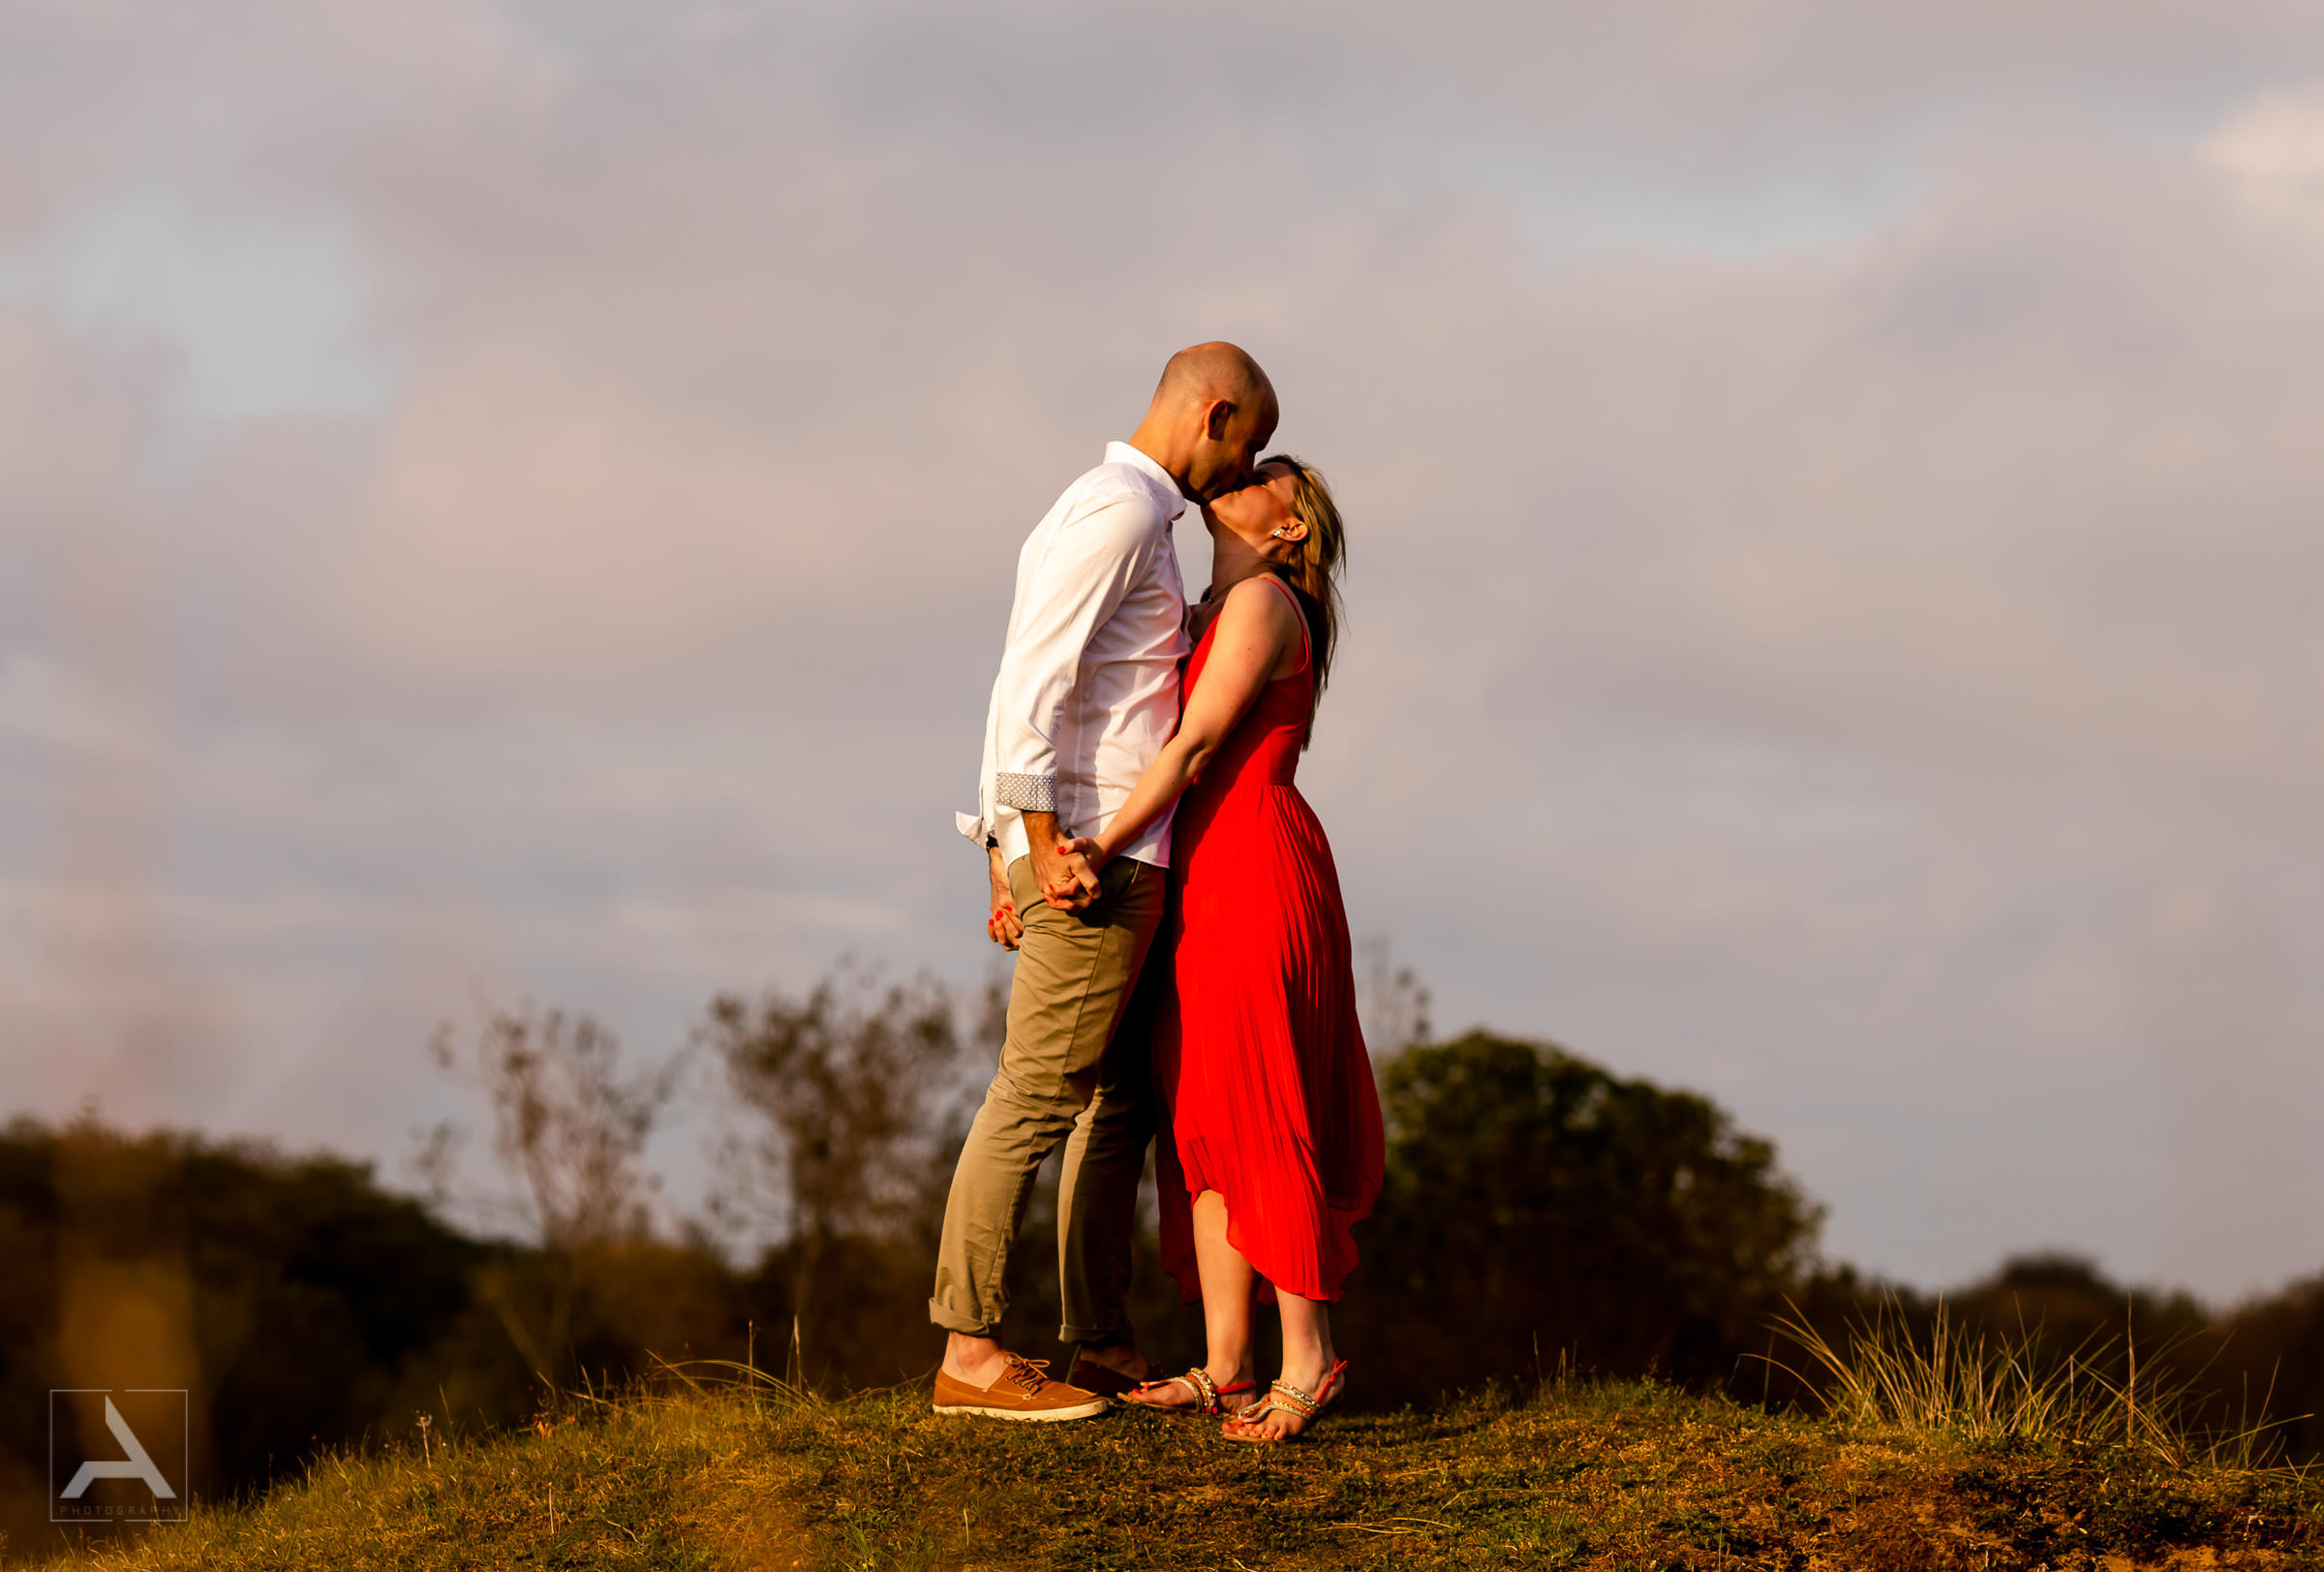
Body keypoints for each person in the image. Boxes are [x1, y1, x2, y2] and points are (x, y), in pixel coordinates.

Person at [930, 343, 1279, 1421]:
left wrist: (1002, 844)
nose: (1246, 467)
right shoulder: (1123, 510)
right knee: (1036, 1094)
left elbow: (1028, 674)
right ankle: (972, 1356)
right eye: (1249, 444)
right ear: (1214, 414)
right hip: (1091, 856)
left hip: (1102, 852)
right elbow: (1032, 673)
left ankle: (1099, 1342)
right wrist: (1032, 840)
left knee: (1114, 1100)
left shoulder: (1125, 511)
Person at [1049, 455, 1384, 1441]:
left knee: (1265, 1100)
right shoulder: (1212, 604)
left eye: (1267, 476)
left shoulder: (1269, 601)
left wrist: (1099, 844)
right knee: (1202, 1116)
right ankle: (1229, 1365)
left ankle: (1309, 1360)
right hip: (1202, 868)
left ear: (1291, 528)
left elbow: (1193, 746)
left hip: (1253, 865)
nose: (1240, 477)